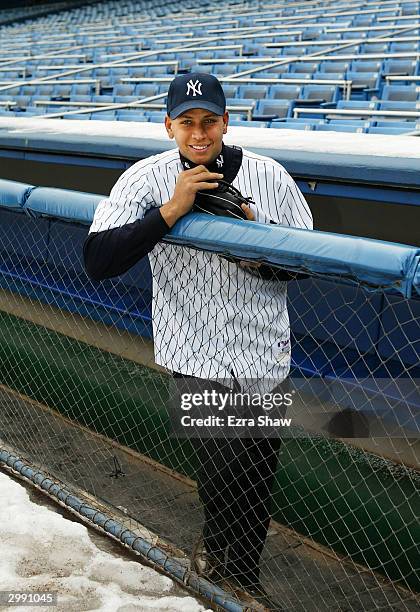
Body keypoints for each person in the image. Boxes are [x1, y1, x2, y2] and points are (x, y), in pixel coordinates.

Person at [83, 73, 313, 607]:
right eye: (186, 122)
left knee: (255, 477)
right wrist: (169, 211)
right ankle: (220, 567)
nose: (198, 133)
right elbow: (98, 261)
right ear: (169, 126)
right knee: (220, 473)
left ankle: (239, 579)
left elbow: (304, 265)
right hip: (195, 348)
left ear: (225, 123)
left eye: (209, 121)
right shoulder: (145, 178)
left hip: (265, 351)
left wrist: (254, 231)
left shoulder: (269, 175)